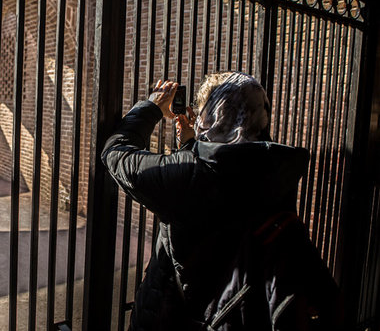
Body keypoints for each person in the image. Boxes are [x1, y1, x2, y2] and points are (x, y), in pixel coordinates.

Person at [101, 72, 343, 330]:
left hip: (178, 317)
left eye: (205, 110)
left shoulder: (192, 175)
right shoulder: (272, 167)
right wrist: (192, 145)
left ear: (214, 116)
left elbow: (116, 155)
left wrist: (151, 107)